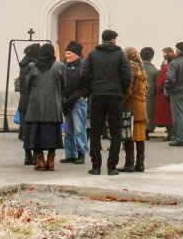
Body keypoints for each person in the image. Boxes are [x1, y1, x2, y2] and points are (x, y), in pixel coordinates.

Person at [82, 29, 132, 175]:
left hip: (97, 95)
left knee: (95, 131)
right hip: (115, 96)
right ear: (113, 40)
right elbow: (127, 75)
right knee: (116, 132)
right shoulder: (120, 54)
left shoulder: (93, 54)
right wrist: (121, 90)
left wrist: (89, 90)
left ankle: (96, 166)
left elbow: (85, 74)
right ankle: (111, 167)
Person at [23, 43, 66, 171]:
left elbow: (27, 84)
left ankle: (40, 161)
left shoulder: (33, 66)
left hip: (36, 105)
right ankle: (51, 161)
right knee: (52, 134)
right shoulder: (59, 66)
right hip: (53, 105)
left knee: (35, 134)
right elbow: (64, 84)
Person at [121, 46, 149, 172]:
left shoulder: (130, 68)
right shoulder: (142, 69)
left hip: (131, 105)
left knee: (129, 135)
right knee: (140, 137)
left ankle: (129, 163)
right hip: (141, 106)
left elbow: (129, 88)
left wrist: (121, 99)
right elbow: (146, 89)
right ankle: (140, 163)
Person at [60, 41, 88, 164]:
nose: (67, 55)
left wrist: (81, 96)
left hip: (77, 101)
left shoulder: (83, 67)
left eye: (69, 53)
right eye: (66, 53)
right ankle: (70, 154)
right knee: (68, 129)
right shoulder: (63, 66)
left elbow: (87, 85)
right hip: (67, 101)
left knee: (79, 128)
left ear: (76, 54)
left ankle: (81, 153)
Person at [16, 42, 40, 164]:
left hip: (24, 101)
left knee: (25, 129)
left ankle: (27, 155)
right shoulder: (35, 66)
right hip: (33, 101)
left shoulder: (23, 65)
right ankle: (35, 155)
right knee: (35, 129)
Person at [153, 47, 174, 140]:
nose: (163, 54)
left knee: (167, 114)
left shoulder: (166, 67)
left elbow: (161, 81)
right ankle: (173, 133)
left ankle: (171, 134)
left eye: (164, 53)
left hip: (164, 93)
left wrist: (158, 87)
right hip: (173, 92)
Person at [140, 47, 159, 137]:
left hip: (138, 92)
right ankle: (147, 130)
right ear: (151, 57)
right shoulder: (154, 69)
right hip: (150, 93)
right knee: (149, 111)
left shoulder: (138, 67)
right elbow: (157, 83)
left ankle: (139, 129)